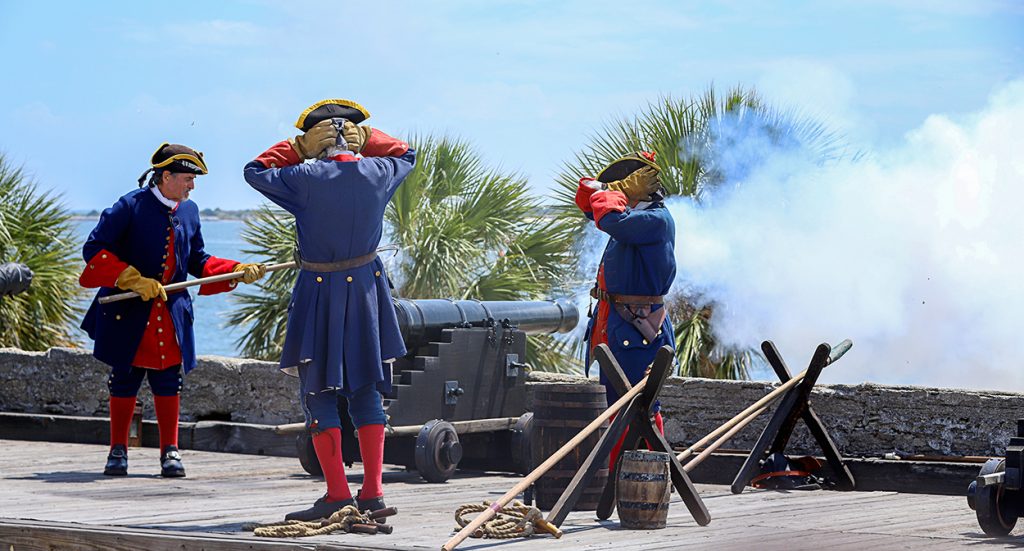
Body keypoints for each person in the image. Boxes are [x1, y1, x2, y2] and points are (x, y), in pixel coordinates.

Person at [243, 99, 416, 521]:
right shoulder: (380, 171)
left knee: (319, 392)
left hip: (318, 290)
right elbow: (405, 153)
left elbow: (255, 171)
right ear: (354, 136)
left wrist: (296, 148)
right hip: (367, 292)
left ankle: (338, 496)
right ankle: (373, 495)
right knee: (367, 390)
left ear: (315, 138)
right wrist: (371, 139)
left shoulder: (304, 177)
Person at [80, 143, 266, 478]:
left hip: (170, 314)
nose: (192, 186)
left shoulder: (190, 211)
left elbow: (199, 260)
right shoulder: (129, 206)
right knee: (123, 380)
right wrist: (130, 278)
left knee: (169, 382)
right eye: (187, 178)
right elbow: (93, 249)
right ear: (165, 176)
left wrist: (236, 269)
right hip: (129, 311)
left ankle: (170, 451)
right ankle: (117, 451)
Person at [574, 151, 675, 468]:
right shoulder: (633, 215)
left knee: (637, 407)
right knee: (618, 405)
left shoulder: (654, 220)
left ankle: (642, 476)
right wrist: (605, 188)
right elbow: (590, 205)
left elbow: (609, 218)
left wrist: (613, 193)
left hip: (638, 329)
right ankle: (627, 479)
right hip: (619, 324)